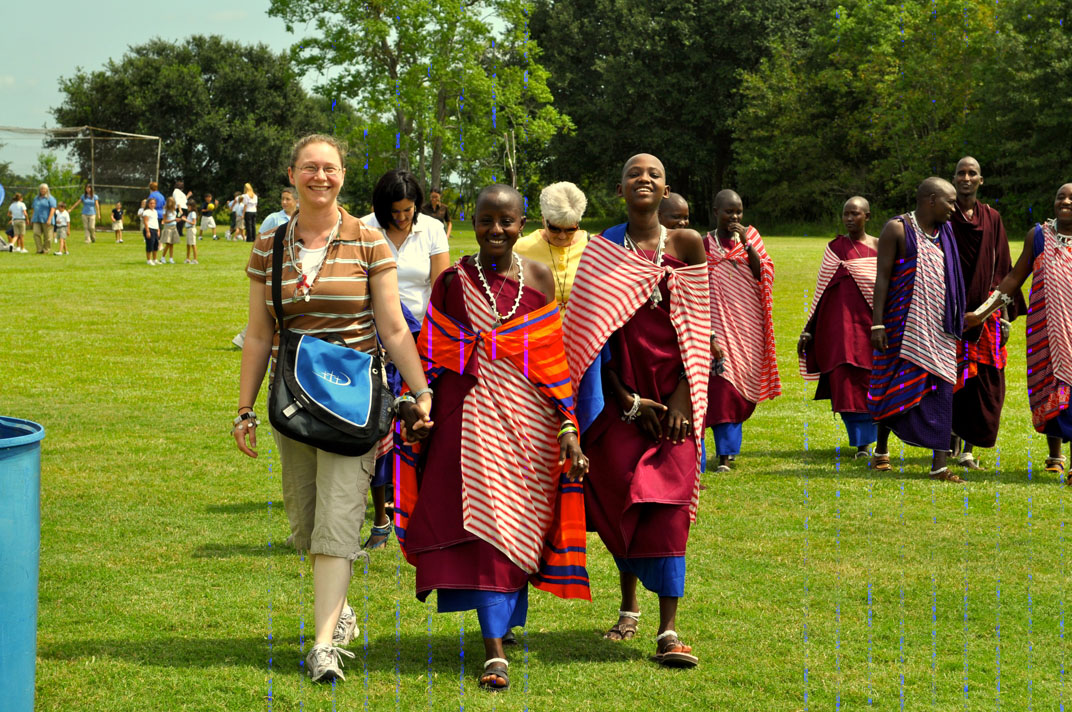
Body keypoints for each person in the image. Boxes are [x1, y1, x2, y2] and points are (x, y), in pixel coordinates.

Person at [235, 133, 433, 683]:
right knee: (305, 522)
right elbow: (258, 334)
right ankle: (338, 609)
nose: (320, 176)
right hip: (293, 402)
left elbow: (393, 327)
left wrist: (419, 392)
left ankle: (323, 645)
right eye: (309, 168)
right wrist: (245, 408)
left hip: (353, 402)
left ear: (343, 175)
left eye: (331, 168)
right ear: (293, 174)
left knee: (339, 521)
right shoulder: (269, 246)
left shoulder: (370, 241)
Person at [398, 183, 589, 691]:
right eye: (487, 220)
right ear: (472, 223)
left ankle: (504, 620)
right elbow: (432, 355)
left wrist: (568, 423)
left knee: (518, 525)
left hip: (530, 424)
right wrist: (419, 409)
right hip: (466, 421)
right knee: (486, 524)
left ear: (522, 224)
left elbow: (552, 360)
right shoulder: (452, 281)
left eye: (507, 221)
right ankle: (493, 649)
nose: (497, 230)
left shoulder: (542, 279)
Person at [563, 153, 710, 669]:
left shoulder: (688, 246)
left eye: (653, 174)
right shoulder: (602, 249)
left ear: (667, 188)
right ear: (620, 188)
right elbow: (589, 336)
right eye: (633, 174)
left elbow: (700, 333)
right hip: (620, 401)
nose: (643, 180)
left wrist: (676, 401)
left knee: (668, 513)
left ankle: (669, 630)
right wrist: (626, 401)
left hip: (677, 403)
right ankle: (628, 608)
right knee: (620, 503)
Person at [360, 169, 449, 549]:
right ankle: (380, 519)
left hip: (421, 342)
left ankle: (423, 513)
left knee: (422, 425)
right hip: (374, 343)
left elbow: (442, 286)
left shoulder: (430, 228)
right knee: (379, 430)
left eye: (408, 210)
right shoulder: (363, 229)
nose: (402, 218)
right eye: (394, 212)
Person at [967, 183, 1072, 484]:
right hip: (1045, 330)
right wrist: (982, 313)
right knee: (1051, 389)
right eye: (1059, 197)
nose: (1064, 202)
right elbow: (1013, 278)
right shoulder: (1038, 235)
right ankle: (1055, 455)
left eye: (1071, 198)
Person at [868, 177, 966, 481]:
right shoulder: (897, 229)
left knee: (943, 388)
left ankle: (939, 465)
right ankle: (881, 451)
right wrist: (878, 323)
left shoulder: (946, 232)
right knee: (891, 384)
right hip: (902, 324)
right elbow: (882, 278)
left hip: (940, 328)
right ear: (931, 200)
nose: (955, 207)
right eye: (950, 202)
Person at [948, 157, 1024, 469]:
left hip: (987, 312)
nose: (966, 178)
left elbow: (1004, 268)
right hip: (948, 313)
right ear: (953, 179)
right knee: (950, 376)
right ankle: (948, 437)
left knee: (982, 380)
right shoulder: (944, 216)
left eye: (972, 173)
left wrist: (1003, 316)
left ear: (981, 180)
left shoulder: (992, 217)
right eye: (960, 173)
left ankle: (968, 448)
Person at [704, 189, 781, 472]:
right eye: (728, 212)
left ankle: (730, 449)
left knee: (741, 387)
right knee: (722, 384)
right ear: (716, 211)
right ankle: (724, 454)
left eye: (738, 212)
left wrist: (748, 244)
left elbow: (765, 273)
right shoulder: (704, 244)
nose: (734, 217)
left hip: (747, 324)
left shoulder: (752, 239)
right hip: (717, 323)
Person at [798, 197, 879, 457]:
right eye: (845, 214)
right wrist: (808, 328)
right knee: (843, 380)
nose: (849, 219)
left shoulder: (880, 247)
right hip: (837, 329)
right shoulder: (835, 248)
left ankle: (870, 439)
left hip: (870, 327)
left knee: (869, 379)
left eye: (855, 214)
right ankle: (860, 443)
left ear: (867, 216)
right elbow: (821, 292)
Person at [232, 189, 300, 349]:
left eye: (288, 199)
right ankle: (245, 338)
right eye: (283, 199)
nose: (284, 202)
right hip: (275, 268)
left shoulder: (302, 218)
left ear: (297, 201)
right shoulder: (273, 218)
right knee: (269, 305)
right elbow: (259, 241)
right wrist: (252, 263)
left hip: (294, 268)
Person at [514, 181, 590, 307]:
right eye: (555, 228)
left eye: (570, 229)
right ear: (543, 219)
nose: (562, 236)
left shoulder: (593, 247)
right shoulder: (520, 248)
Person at [30, 184, 56, 254]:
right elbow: (33, 208)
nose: (42, 190)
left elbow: (53, 209)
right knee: (36, 233)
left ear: (47, 190)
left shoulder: (50, 198)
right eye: (41, 189)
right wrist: (32, 218)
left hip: (46, 219)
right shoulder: (36, 198)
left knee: (48, 236)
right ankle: (39, 249)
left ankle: (46, 250)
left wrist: (49, 219)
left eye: (44, 189)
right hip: (36, 219)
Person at [159, 196, 180, 264]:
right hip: (168, 228)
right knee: (168, 244)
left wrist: (177, 219)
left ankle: (171, 258)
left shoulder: (174, 210)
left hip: (174, 227)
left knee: (172, 244)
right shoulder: (165, 210)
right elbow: (165, 220)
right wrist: (174, 220)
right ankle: (163, 257)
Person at [142, 197, 160, 265]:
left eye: (154, 203)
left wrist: (158, 230)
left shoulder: (155, 211)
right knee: (150, 245)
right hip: (150, 229)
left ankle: (155, 259)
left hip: (155, 229)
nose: (152, 204)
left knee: (156, 245)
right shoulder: (146, 212)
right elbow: (146, 222)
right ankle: (149, 260)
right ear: (148, 204)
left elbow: (156, 221)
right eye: (151, 203)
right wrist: (148, 231)